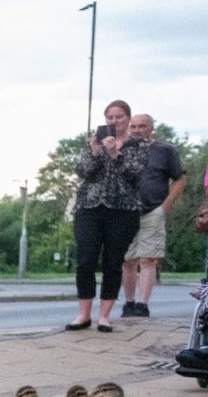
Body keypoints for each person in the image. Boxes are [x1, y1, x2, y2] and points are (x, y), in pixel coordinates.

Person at [67, 100, 146, 333]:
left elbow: (135, 174)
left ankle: (104, 316)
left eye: (119, 117)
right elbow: (82, 171)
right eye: (110, 117)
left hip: (122, 210)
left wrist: (115, 154)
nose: (114, 121)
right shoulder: (92, 141)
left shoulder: (137, 145)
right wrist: (94, 151)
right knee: (85, 260)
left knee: (113, 263)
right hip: (90, 207)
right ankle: (83, 314)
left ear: (128, 119)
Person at [119, 114, 184, 318]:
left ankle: (142, 305)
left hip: (153, 211)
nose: (137, 130)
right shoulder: (123, 149)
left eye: (142, 126)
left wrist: (164, 207)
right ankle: (129, 303)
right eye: (134, 126)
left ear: (151, 128)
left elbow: (180, 179)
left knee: (147, 259)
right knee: (128, 260)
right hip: (126, 212)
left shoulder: (165, 150)